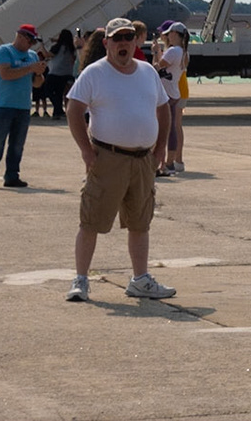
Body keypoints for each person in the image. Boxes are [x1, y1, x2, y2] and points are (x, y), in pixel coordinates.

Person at [63, 16, 174, 303]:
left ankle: (140, 279)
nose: (123, 43)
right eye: (117, 39)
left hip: (142, 160)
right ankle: (81, 280)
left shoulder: (148, 72)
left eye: (128, 38)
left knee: (140, 222)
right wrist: (86, 150)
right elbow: (74, 110)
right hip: (108, 158)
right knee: (91, 221)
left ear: (136, 41)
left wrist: (161, 147)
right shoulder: (94, 73)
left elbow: (164, 110)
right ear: (107, 43)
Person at [0, 22, 47, 189]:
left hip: (23, 106)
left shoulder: (32, 56)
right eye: (30, 40)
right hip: (5, 104)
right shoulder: (4, 51)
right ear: (19, 36)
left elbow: (37, 84)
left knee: (17, 145)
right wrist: (29, 68)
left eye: (33, 42)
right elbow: (5, 74)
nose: (31, 44)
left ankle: (12, 176)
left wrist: (38, 73)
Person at [156, 25, 188, 173]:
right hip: (174, 91)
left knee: (162, 129)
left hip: (165, 93)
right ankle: (171, 162)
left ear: (174, 34)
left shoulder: (173, 51)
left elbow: (157, 66)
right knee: (172, 128)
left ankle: (164, 162)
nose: (167, 37)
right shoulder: (184, 53)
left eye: (169, 34)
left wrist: (156, 52)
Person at [46, 28, 78, 119]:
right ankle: (57, 113)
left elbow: (47, 55)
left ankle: (58, 109)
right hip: (67, 73)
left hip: (55, 72)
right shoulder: (71, 48)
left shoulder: (56, 47)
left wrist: (41, 45)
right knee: (59, 93)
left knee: (48, 91)